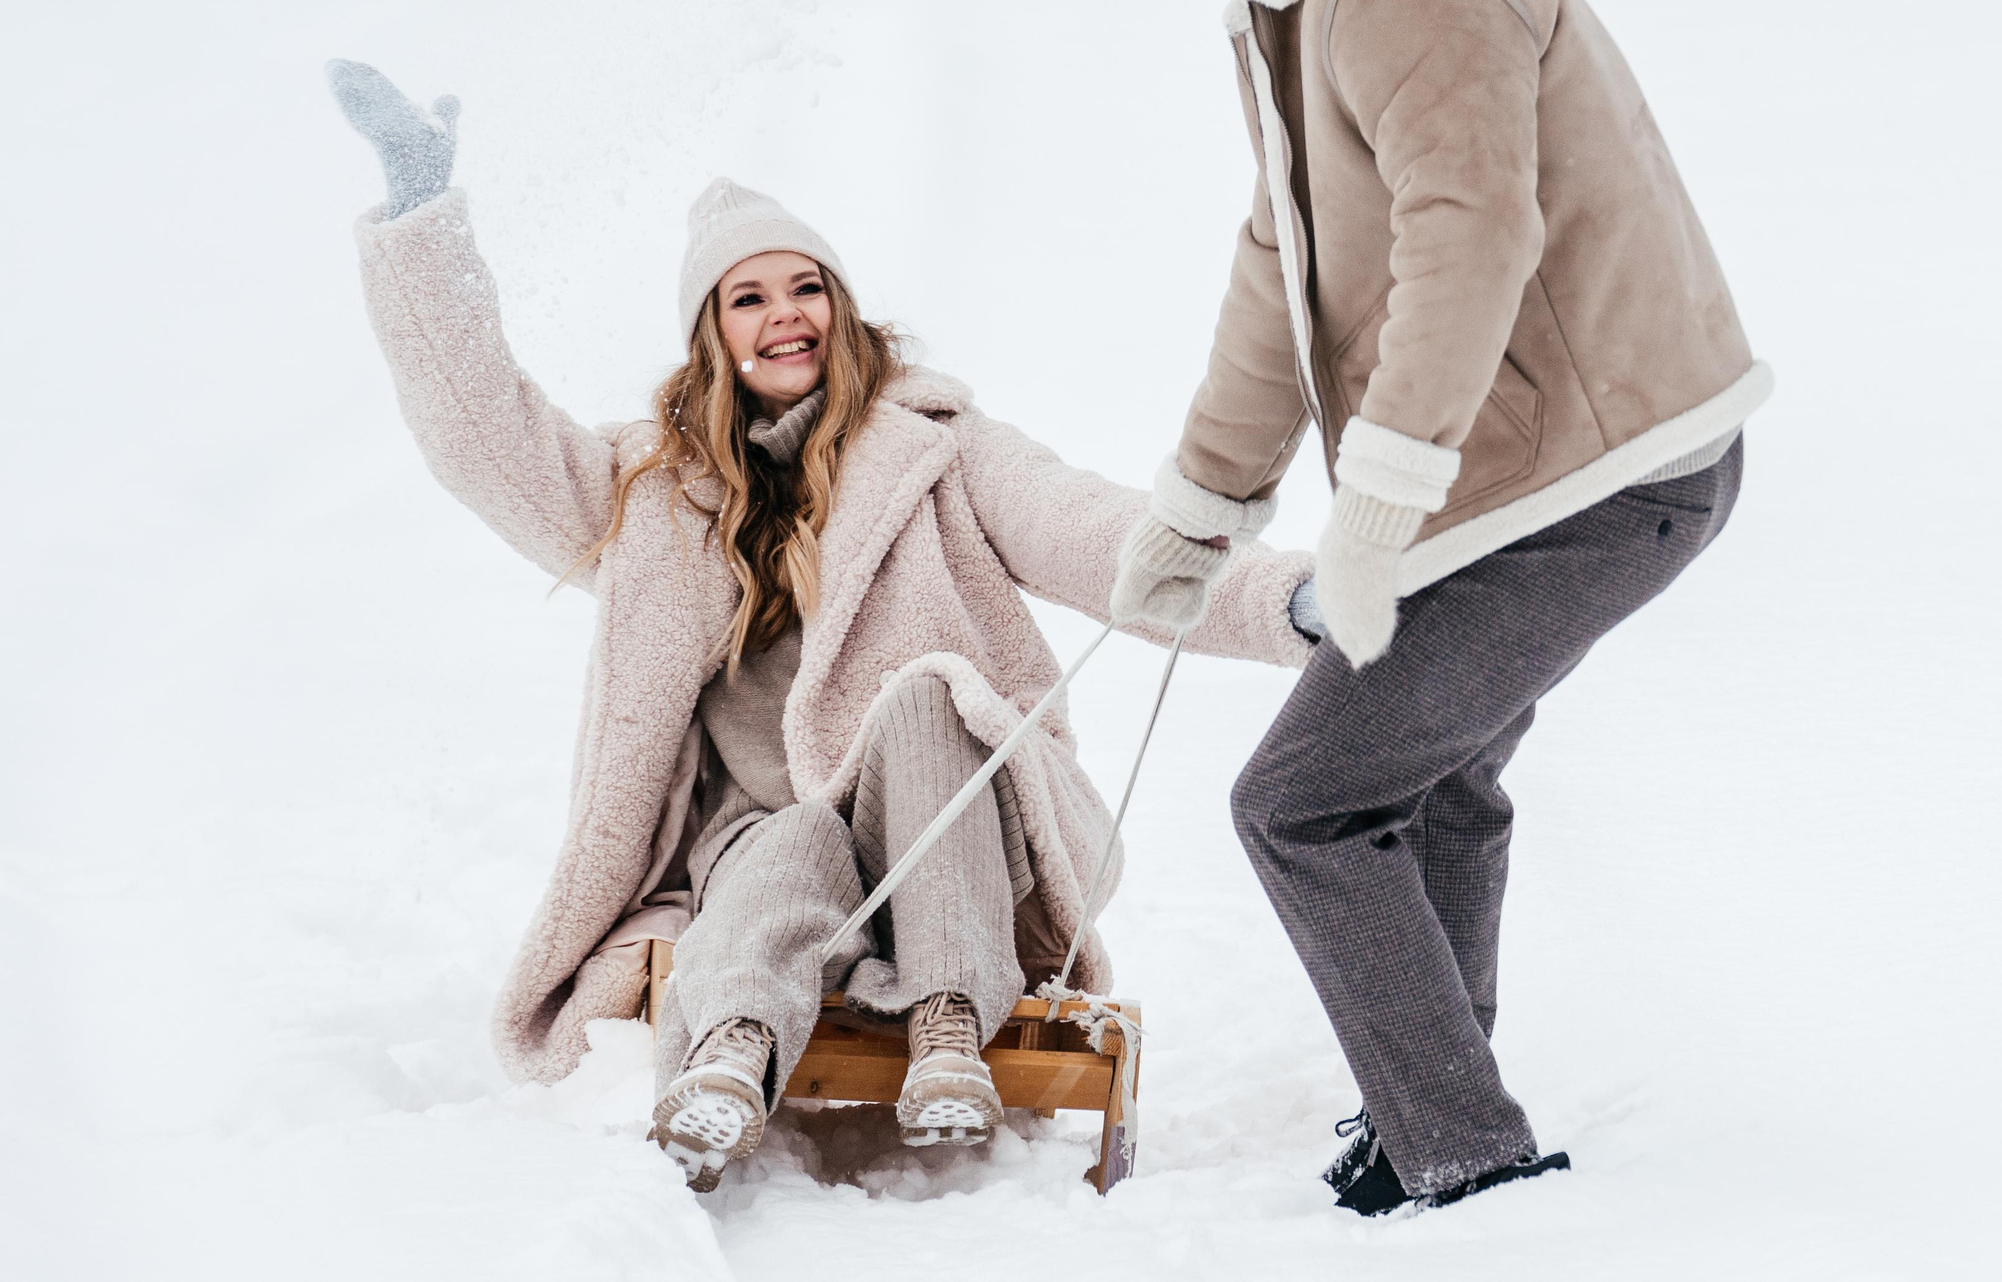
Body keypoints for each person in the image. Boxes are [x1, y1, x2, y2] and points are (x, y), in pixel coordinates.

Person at [326, 60, 1317, 1192]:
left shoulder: (940, 448)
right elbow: (481, 437)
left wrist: (1284, 599)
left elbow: (1098, 531)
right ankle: (732, 1052)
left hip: (950, 829)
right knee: (786, 830)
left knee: (928, 694)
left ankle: (951, 1017)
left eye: (805, 285)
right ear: (714, 335)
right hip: (769, 852)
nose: (783, 312)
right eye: (748, 297)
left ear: (840, 306)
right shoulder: (653, 487)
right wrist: (419, 221)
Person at [1105, 0, 1772, 1215]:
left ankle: (1465, 1159)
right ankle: (1435, 1103)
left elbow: (1474, 235)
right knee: (1432, 775)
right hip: (1529, 472)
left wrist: (1381, 509)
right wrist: (1199, 506)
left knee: (1304, 803)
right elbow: (1289, 261)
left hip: (1607, 475)